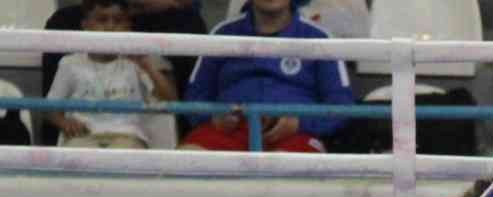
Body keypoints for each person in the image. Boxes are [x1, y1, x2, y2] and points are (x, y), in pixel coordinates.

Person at [180, 0, 354, 154]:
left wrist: (299, 123)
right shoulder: (222, 33)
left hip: (297, 136)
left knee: (283, 170)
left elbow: (342, 106)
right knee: (183, 160)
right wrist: (214, 116)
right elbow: (195, 96)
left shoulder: (320, 38)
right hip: (228, 132)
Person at [40, 0, 204, 147]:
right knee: (75, 154)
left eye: (118, 21)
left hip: (127, 136)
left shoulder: (139, 60)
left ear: (128, 26)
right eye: (102, 20)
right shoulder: (70, 63)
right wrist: (63, 122)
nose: (110, 27)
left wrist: (147, 66)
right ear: (85, 25)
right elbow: (50, 108)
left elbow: (170, 100)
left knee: (126, 152)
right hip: (83, 135)